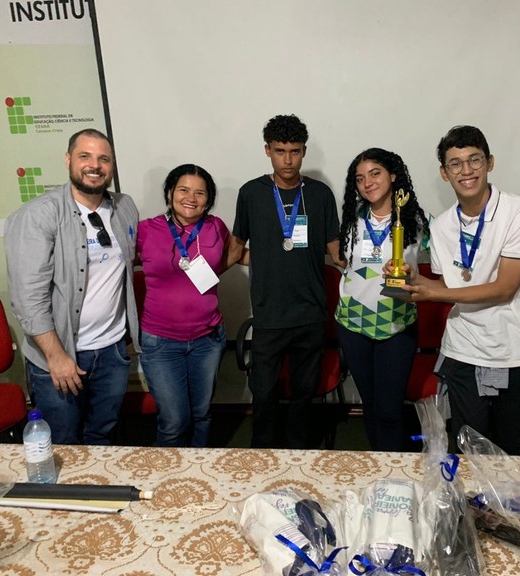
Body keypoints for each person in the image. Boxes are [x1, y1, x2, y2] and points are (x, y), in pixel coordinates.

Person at [397, 125, 520, 454]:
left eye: (474, 160)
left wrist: (435, 294)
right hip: (462, 350)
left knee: (516, 449)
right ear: (444, 173)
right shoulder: (441, 226)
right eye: (455, 163)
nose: (466, 170)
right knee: (469, 447)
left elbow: (504, 288)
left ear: (489, 162)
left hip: (513, 350)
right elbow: (449, 286)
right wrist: (415, 281)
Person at [5, 128, 139, 445]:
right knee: (64, 442)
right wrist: (56, 356)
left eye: (104, 159)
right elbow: (28, 298)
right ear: (68, 160)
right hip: (61, 355)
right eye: (85, 156)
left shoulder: (124, 207)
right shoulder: (38, 215)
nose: (95, 165)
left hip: (112, 351)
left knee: (102, 436)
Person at [228, 114, 342, 448]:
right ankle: (263, 453)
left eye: (294, 151)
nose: (288, 160)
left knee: (304, 393)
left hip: (310, 313)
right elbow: (236, 249)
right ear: (268, 150)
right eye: (280, 151)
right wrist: (195, 276)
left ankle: (298, 453)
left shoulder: (320, 194)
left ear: (304, 151)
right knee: (264, 393)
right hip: (269, 314)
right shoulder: (251, 193)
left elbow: (336, 251)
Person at [137, 164, 242, 447]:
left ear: (208, 199)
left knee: (202, 414)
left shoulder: (215, 227)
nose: (191, 198)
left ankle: (199, 470)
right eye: (183, 190)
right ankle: (171, 473)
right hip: (161, 342)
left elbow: (234, 256)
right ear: (170, 192)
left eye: (200, 193)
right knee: (174, 421)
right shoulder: (146, 230)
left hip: (208, 339)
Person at [336, 148, 429, 451]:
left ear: (393, 175)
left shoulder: (417, 220)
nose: (367, 183)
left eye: (375, 173)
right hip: (353, 322)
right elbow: (344, 262)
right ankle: (379, 465)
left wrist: (413, 275)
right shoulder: (352, 218)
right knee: (371, 405)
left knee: (389, 409)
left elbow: (441, 266)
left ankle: (395, 469)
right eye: (360, 178)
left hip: (396, 323)